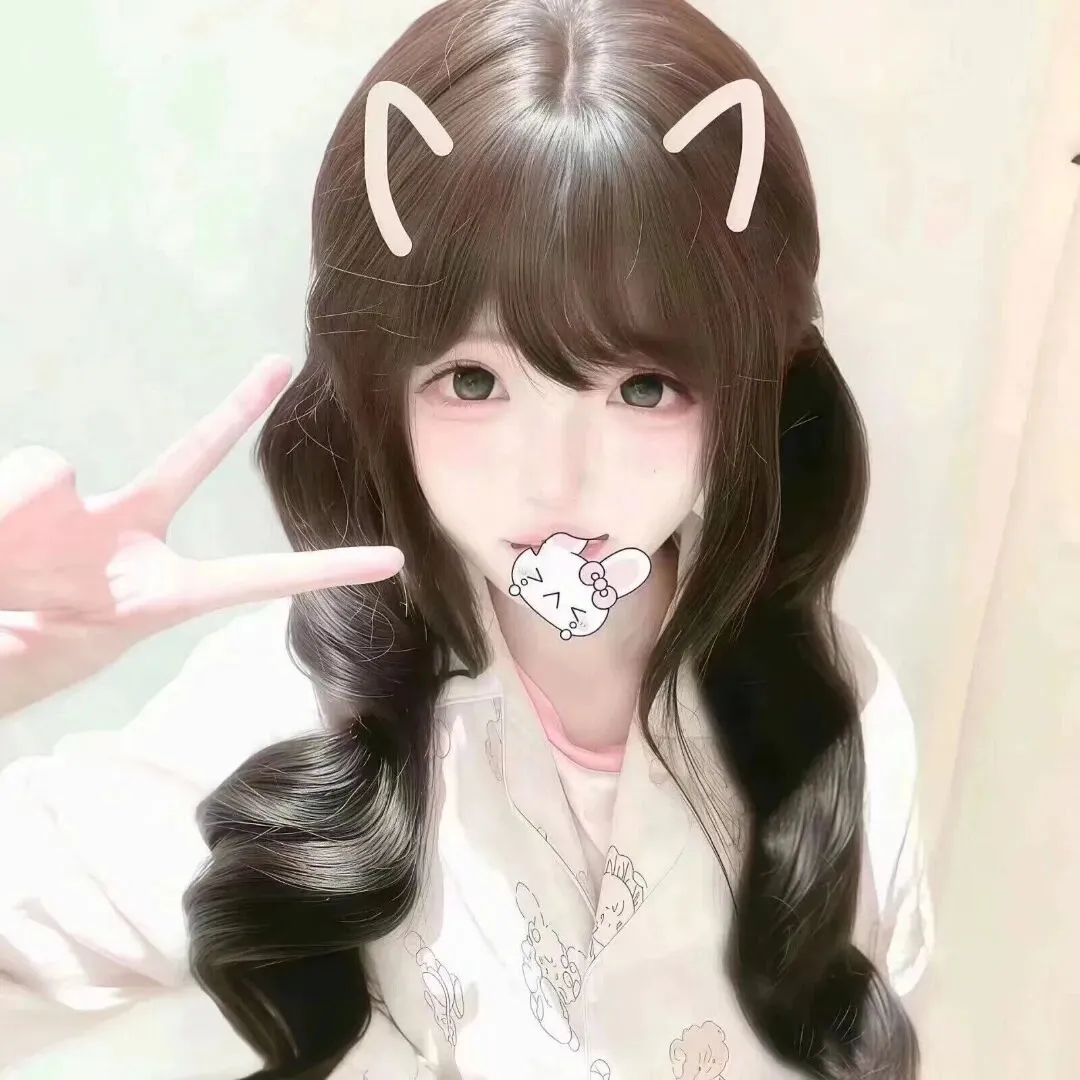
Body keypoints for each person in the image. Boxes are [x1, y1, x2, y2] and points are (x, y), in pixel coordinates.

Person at [0, 1, 934, 1078]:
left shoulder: (836, 713)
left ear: (755, 390)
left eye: (643, 386)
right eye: (475, 381)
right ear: (382, 391)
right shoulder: (284, 714)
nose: (557, 477)